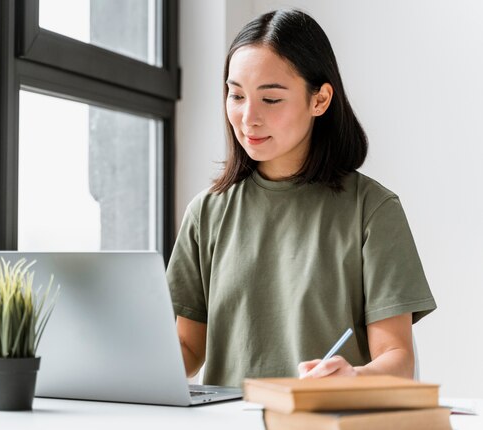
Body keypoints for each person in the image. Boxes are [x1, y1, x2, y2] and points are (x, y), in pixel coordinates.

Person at [166, 9, 437, 388]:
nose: (247, 117)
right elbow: (188, 350)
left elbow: (397, 359)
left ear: (320, 100)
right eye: (236, 95)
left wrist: (352, 376)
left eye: (271, 99)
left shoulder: (372, 210)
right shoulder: (207, 212)